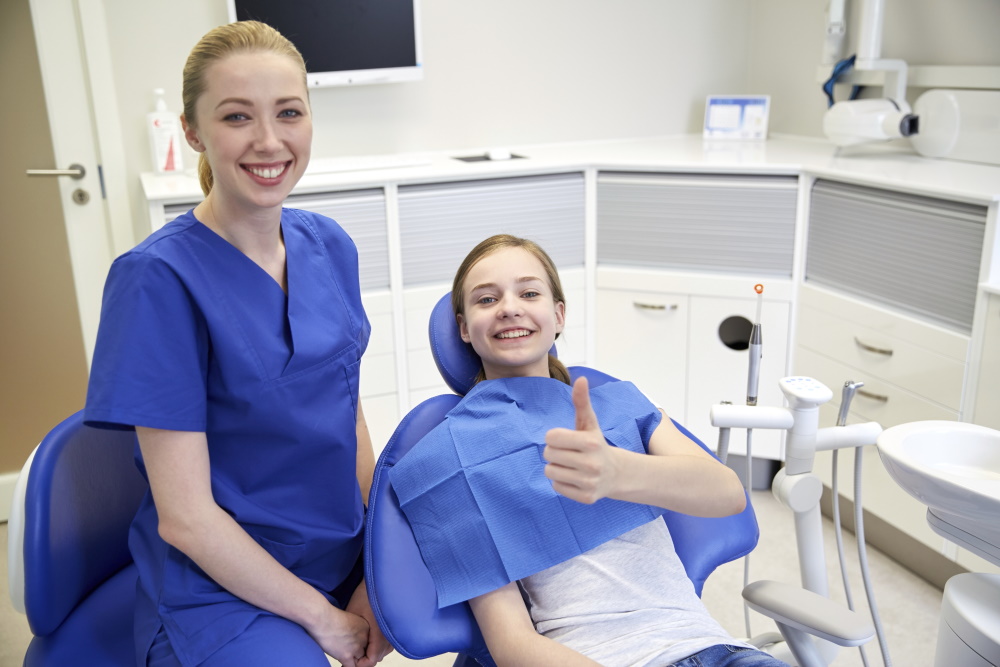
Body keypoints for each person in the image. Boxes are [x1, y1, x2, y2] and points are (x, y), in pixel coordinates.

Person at [84, 21, 391, 667]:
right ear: (192, 131)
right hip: (222, 585)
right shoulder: (157, 281)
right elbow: (187, 518)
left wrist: (379, 563)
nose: (269, 140)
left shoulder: (329, 244)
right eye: (236, 116)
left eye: (288, 112)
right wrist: (324, 619)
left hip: (339, 548)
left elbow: (348, 412)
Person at [392, 234, 789, 666]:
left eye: (529, 292)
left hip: (714, 649)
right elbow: (510, 644)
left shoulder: (619, 405)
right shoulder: (447, 461)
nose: (509, 307)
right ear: (464, 327)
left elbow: (727, 494)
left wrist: (620, 472)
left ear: (558, 315)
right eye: (487, 299)